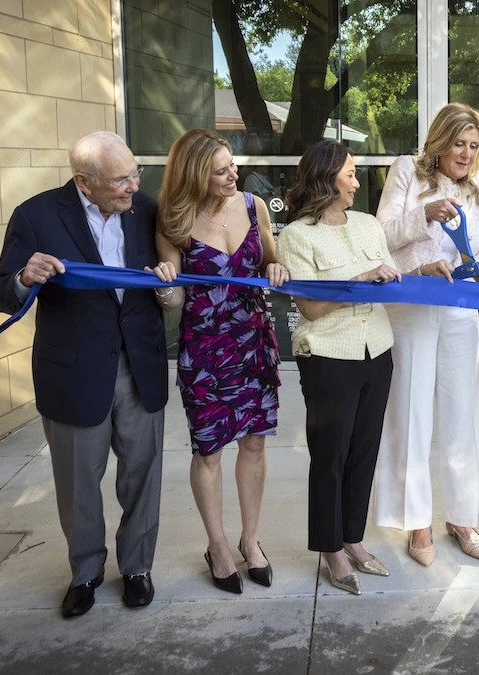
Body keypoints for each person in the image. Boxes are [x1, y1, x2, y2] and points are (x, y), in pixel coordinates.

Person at [0, 131, 167, 618]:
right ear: (83, 182)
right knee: (78, 482)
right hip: (73, 372)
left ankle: (137, 568)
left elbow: (173, 270)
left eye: (135, 174)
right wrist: (25, 277)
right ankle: (85, 572)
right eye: (120, 180)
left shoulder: (147, 209)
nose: (132, 186)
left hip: (140, 365)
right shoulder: (36, 215)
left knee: (143, 476)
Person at [146, 129, 288, 593]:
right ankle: (218, 545)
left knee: (255, 444)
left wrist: (276, 267)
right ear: (193, 175)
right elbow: (173, 301)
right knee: (209, 451)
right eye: (221, 170)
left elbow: (270, 259)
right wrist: (165, 284)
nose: (234, 175)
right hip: (205, 349)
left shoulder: (253, 206)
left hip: (253, 342)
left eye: (233, 165)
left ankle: (251, 541)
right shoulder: (174, 221)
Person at [374, 103, 479, 566]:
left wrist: (477, 263)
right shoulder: (407, 171)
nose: (465, 153)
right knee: (411, 411)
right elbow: (380, 236)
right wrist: (423, 215)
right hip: (411, 304)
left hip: (460, 308)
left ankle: (462, 516)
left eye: (473, 145)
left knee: (463, 413)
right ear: (439, 141)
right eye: (458, 143)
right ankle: (417, 520)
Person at [275, 140, 399, 595]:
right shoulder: (296, 236)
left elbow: (387, 281)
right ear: (327, 178)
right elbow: (308, 307)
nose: (356, 180)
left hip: (377, 351)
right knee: (330, 456)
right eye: (349, 172)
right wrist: (357, 281)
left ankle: (353, 538)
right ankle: (330, 549)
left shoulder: (369, 225)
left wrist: (392, 278)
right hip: (328, 357)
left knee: (364, 452)